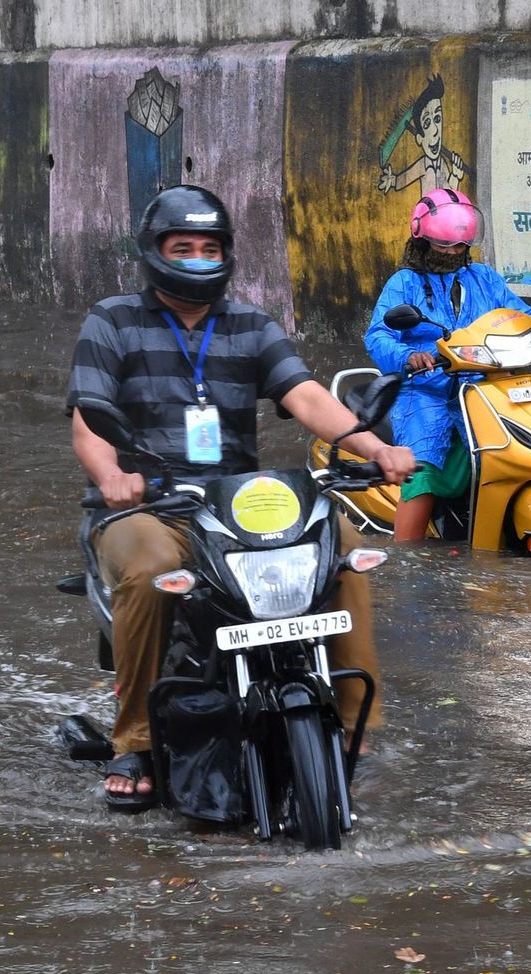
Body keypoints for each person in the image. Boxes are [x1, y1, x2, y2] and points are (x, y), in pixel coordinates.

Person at [69, 184, 417, 810]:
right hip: (149, 505)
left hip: (234, 505)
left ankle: (357, 725)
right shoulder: (113, 320)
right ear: (154, 252)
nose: (198, 258)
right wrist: (111, 478)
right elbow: (89, 419)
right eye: (184, 247)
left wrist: (374, 447)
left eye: (210, 248)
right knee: (150, 567)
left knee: (344, 546)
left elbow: (306, 396)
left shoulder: (252, 324)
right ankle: (138, 741)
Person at [363, 187, 531, 541]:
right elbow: (378, 336)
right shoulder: (404, 283)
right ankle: (407, 553)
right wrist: (409, 356)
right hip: (426, 389)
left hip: (484, 387)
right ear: (422, 241)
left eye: (458, 246)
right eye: (442, 245)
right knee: (425, 463)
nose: (451, 252)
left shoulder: (484, 278)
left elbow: (517, 315)